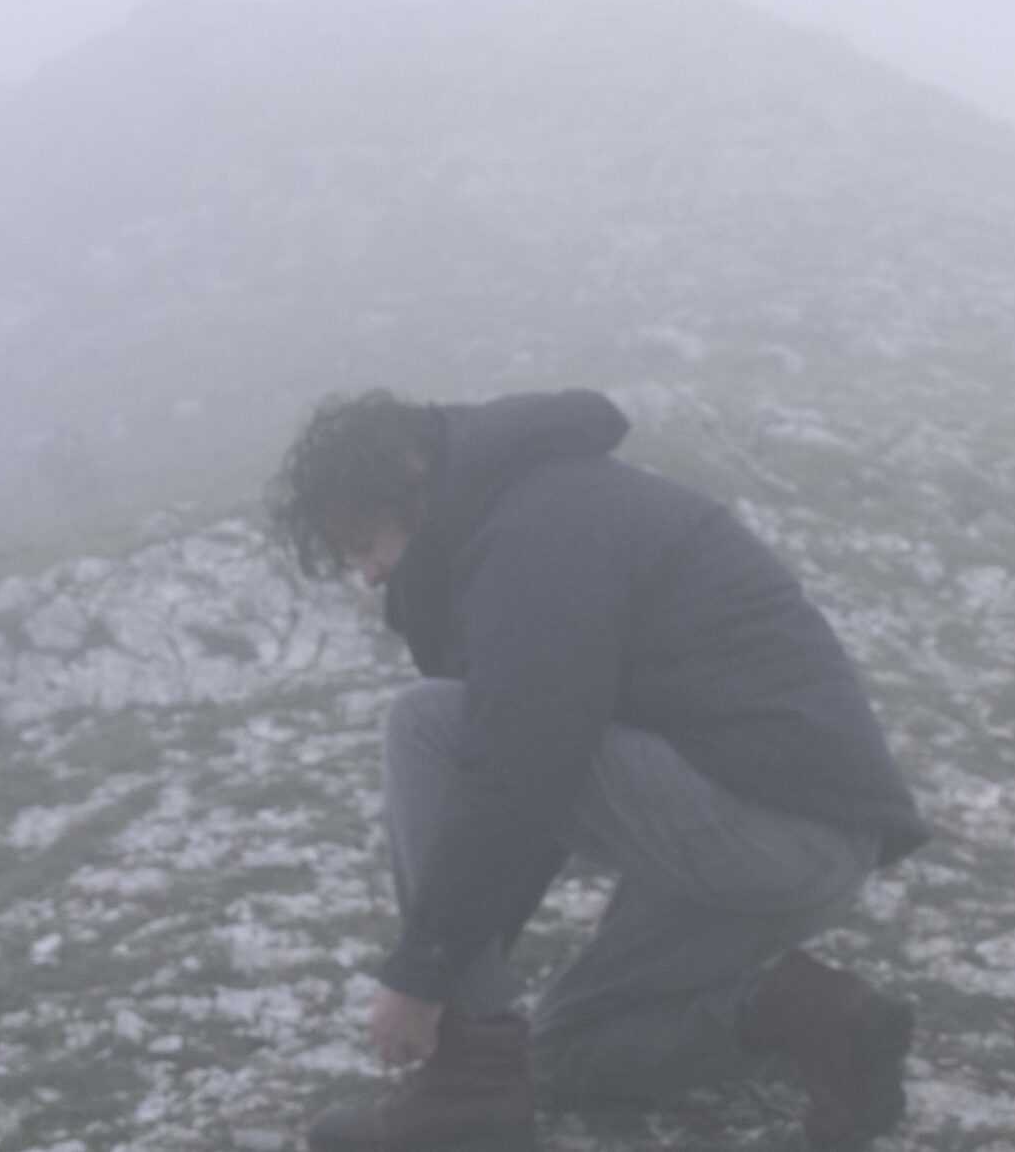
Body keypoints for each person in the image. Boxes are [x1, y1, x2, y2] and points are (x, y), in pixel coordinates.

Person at [269, 388, 927, 1151]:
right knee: (565, 1046)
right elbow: (540, 780)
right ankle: (805, 1014)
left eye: (364, 540)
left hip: (761, 819)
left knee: (424, 726)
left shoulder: (540, 525)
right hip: (797, 844)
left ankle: (468, 1089)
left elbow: (520, 770)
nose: (371, 575)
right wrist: (462, 964)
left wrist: (430, 977)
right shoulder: (535, 516)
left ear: (416, 476)